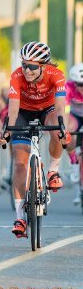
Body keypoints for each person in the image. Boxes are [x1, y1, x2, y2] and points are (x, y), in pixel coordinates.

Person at [0, 41, 69, 238]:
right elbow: (12, 111)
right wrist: (7, 132)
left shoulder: (57, 75)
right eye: (24, 64)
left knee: (57, 128)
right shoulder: (17, 76)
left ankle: (53, 171)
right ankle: (20, 216)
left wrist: (62, 128)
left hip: (48, 110)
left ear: (44, 66)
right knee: (20, 163)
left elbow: (61, 108)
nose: (27, 70)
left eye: (32, 66)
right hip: (23, 112)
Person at [65, 63, 83, 205]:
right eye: (79, 84)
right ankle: (74, 163)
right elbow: (64, 110)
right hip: (75, 116)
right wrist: (64, 129)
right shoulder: (68, 87)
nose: (81, 87)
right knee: (68, 130)